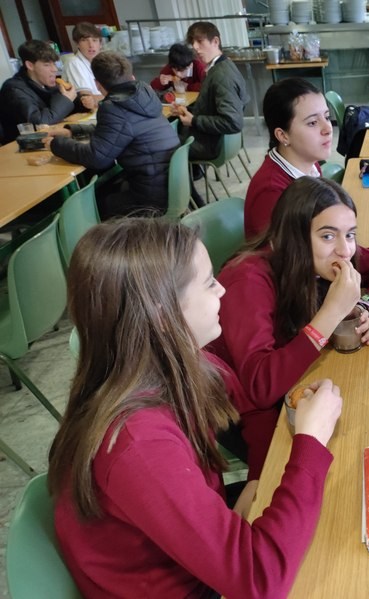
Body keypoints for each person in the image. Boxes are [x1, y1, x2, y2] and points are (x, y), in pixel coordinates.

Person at [48, 218, 343, 598]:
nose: (222, 288)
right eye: (207, 282)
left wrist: (256, 480)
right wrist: (311, 441)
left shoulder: (179, 362)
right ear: (162, 314)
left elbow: (250, 404)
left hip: (202, 559)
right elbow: (260, 581)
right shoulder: (136, 444)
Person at [210, 176, 369, 479]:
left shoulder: (329, 255)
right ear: (294, 236)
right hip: (246, 412)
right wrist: (331, 313)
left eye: (350, 234)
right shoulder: (248, 279)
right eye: (328, 236)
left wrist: (364, 306)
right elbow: (260, 388)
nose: (345, 250)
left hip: (295, 381)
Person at [244, 77, 369, 258]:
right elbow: (296, 264)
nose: (327, 128)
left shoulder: (311, 167)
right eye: (312, 123)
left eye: (327, 117)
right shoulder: (271, 192)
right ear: (283, 135)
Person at [46, 51, 180, 219]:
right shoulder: (144, 95)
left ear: (97, 85)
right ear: (132, 77)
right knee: (107, 187)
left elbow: (97, 158)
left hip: (150, 200)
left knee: (88, 207)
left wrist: (56, 144)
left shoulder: (113, 107)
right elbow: (119, 130)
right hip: (173, 187)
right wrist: (73, 130)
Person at [176, 22, 249, 162]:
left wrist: (194, 120)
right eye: (193, 43)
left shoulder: (222, 75)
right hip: (213, 139)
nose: (195, 47)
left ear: (215, 41)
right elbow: (211, 107)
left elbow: (232, 122)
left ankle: (190, 175)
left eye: (200, 41)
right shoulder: (222, 66)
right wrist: (186, 111)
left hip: (208, 144)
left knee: (158, 145)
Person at [0, 40, 83, 144]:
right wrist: (66, 99)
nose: (54, 69)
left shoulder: (46, 82)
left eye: (54, 64)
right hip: (21, 146)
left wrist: (83, 102)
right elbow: (40, 122)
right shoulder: (13, 89)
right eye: (47, 65)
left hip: (48, 140)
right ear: (30, 65)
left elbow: (61, 110)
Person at [62, 22, 103, 111]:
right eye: (84, 40)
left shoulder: (103, 62)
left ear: (100, 44)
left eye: (94, 40)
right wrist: (113, 96)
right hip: (85, 114)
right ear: (77, 44)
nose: (91, 45)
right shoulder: (74, 63)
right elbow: (88, 99)